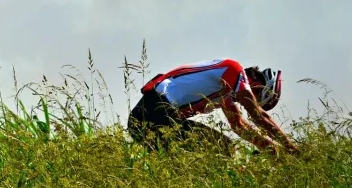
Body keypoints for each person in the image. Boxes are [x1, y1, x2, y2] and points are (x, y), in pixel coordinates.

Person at [127, 58, 299, 155]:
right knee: (223, 148)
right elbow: (259, 116)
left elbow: (239, 126)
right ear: (256, 85)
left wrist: (269, 148)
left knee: (192, 165)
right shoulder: (233, 70)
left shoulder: (224, 91)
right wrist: (291, 148)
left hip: (144, 119)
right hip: (156, 111)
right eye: (256, 98)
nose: (245, 102)